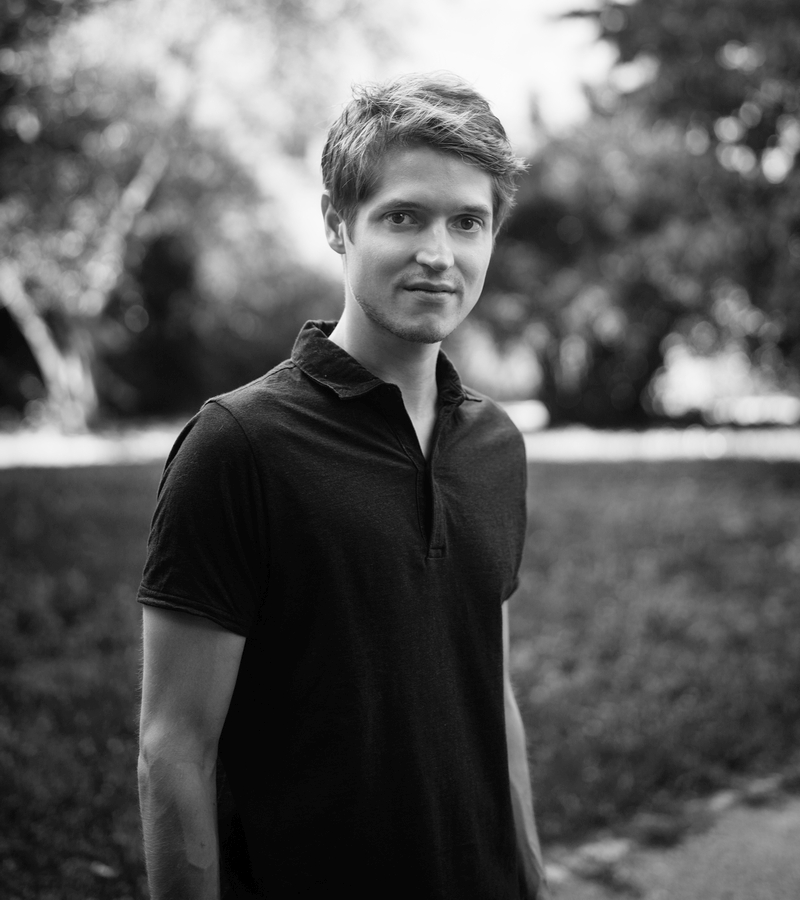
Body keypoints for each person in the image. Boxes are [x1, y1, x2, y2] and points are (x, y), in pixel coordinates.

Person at [137, 72, 549, 899]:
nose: (439, 254)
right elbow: (175, 749)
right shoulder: (240, 444)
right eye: (404, 216)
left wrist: (533, 878)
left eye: (467, 222)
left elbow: (488, 689)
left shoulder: (496, 446)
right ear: (337, 222)